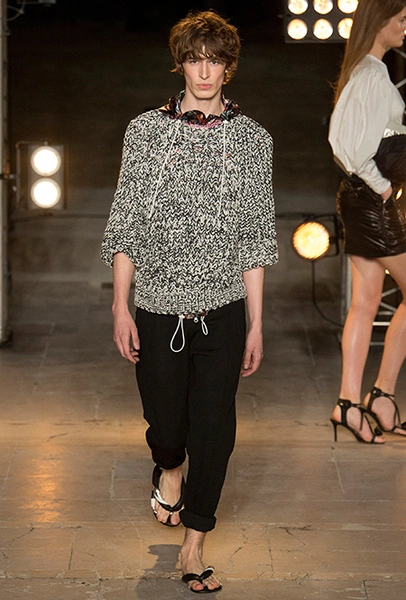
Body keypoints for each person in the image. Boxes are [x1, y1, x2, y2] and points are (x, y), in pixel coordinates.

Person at [101, 10, 278, 593]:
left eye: (215, 60)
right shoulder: (145, 132)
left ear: (229, 68)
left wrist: (256, 323)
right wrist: (120, 307)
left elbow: (255, 236)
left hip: (222, 311)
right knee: (167, 427)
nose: (205, 71)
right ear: (180, 64)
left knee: (214, 429)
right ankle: (169, 466)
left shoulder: (252, 140)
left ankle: (195, 544)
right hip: (156, 307)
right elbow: (125, 223)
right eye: (195, 59)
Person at [328, 0, 406, 444]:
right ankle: (381, 395)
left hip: (359, 200)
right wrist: (381, 186)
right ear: (379, 22)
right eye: (401, 20)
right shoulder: (372, 74)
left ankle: (350, 404)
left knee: (366, 302)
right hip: (370, 201)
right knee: (370, 301)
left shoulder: (365, 71)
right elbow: (344, 143)